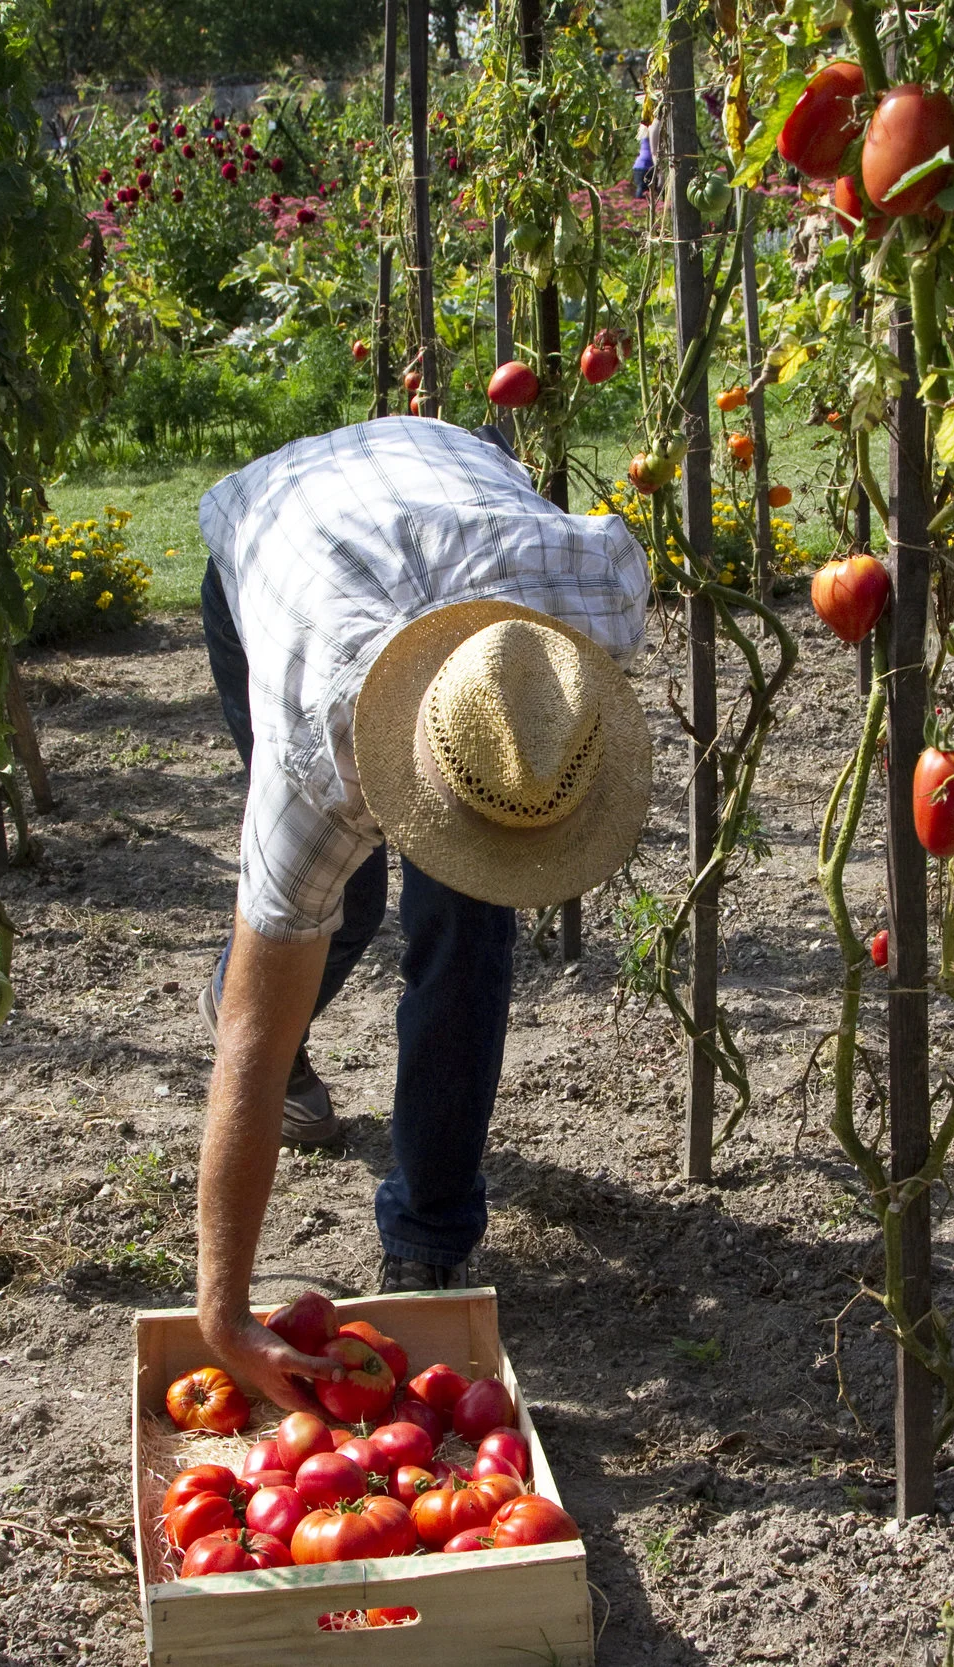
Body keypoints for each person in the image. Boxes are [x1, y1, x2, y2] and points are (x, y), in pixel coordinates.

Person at [191, 416, 653, 1412]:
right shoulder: (317, 757)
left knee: (469, 928)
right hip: (277, 543)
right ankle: (268, 985)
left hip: (439, 476)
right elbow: (247, 1049)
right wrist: (222, 1312)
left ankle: (428, 1238)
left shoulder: (583, 622)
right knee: (331, 910)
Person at [632, 108, 656, 199]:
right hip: (646, 167)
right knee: (644, 195)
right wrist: (660, 172)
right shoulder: (653, 126)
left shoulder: (645, 127)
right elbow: (654, 153)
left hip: (639, 167)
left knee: (643, 195)